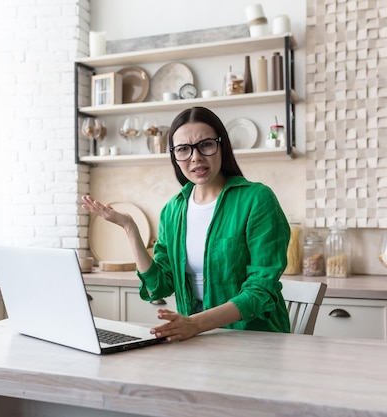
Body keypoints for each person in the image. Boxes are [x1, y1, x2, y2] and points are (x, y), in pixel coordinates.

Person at [82, 106, 291, 342]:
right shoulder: (173, 211)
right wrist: (130, 229)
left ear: (221, 146)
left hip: (254, 339)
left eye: (206, 145)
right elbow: (159, 287)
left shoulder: (256, 199)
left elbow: (261, 291)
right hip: (197, 339)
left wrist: (195, 324)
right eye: (183, 149)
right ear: (174, 156)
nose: (195, 157)